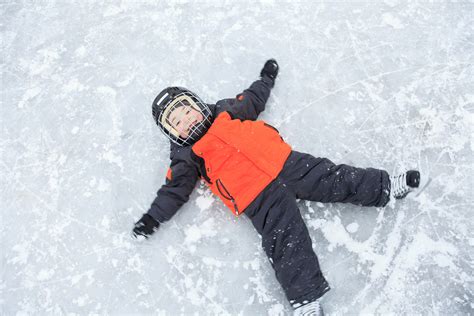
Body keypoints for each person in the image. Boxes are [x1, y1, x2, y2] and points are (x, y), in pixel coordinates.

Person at [132, 59, 421, 315]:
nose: (188, 121)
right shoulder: (185, 156)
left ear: (196, 103)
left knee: (335, 177)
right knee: (285, 241)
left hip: (284, 162)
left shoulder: (225, 110)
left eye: (187, 111)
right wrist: (153, 217)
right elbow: (175, 189)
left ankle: (386, 186)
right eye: (177, 122)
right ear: (171, 132)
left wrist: (266, 79)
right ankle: (306, 300)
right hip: (256, 196)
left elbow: (252, 100)